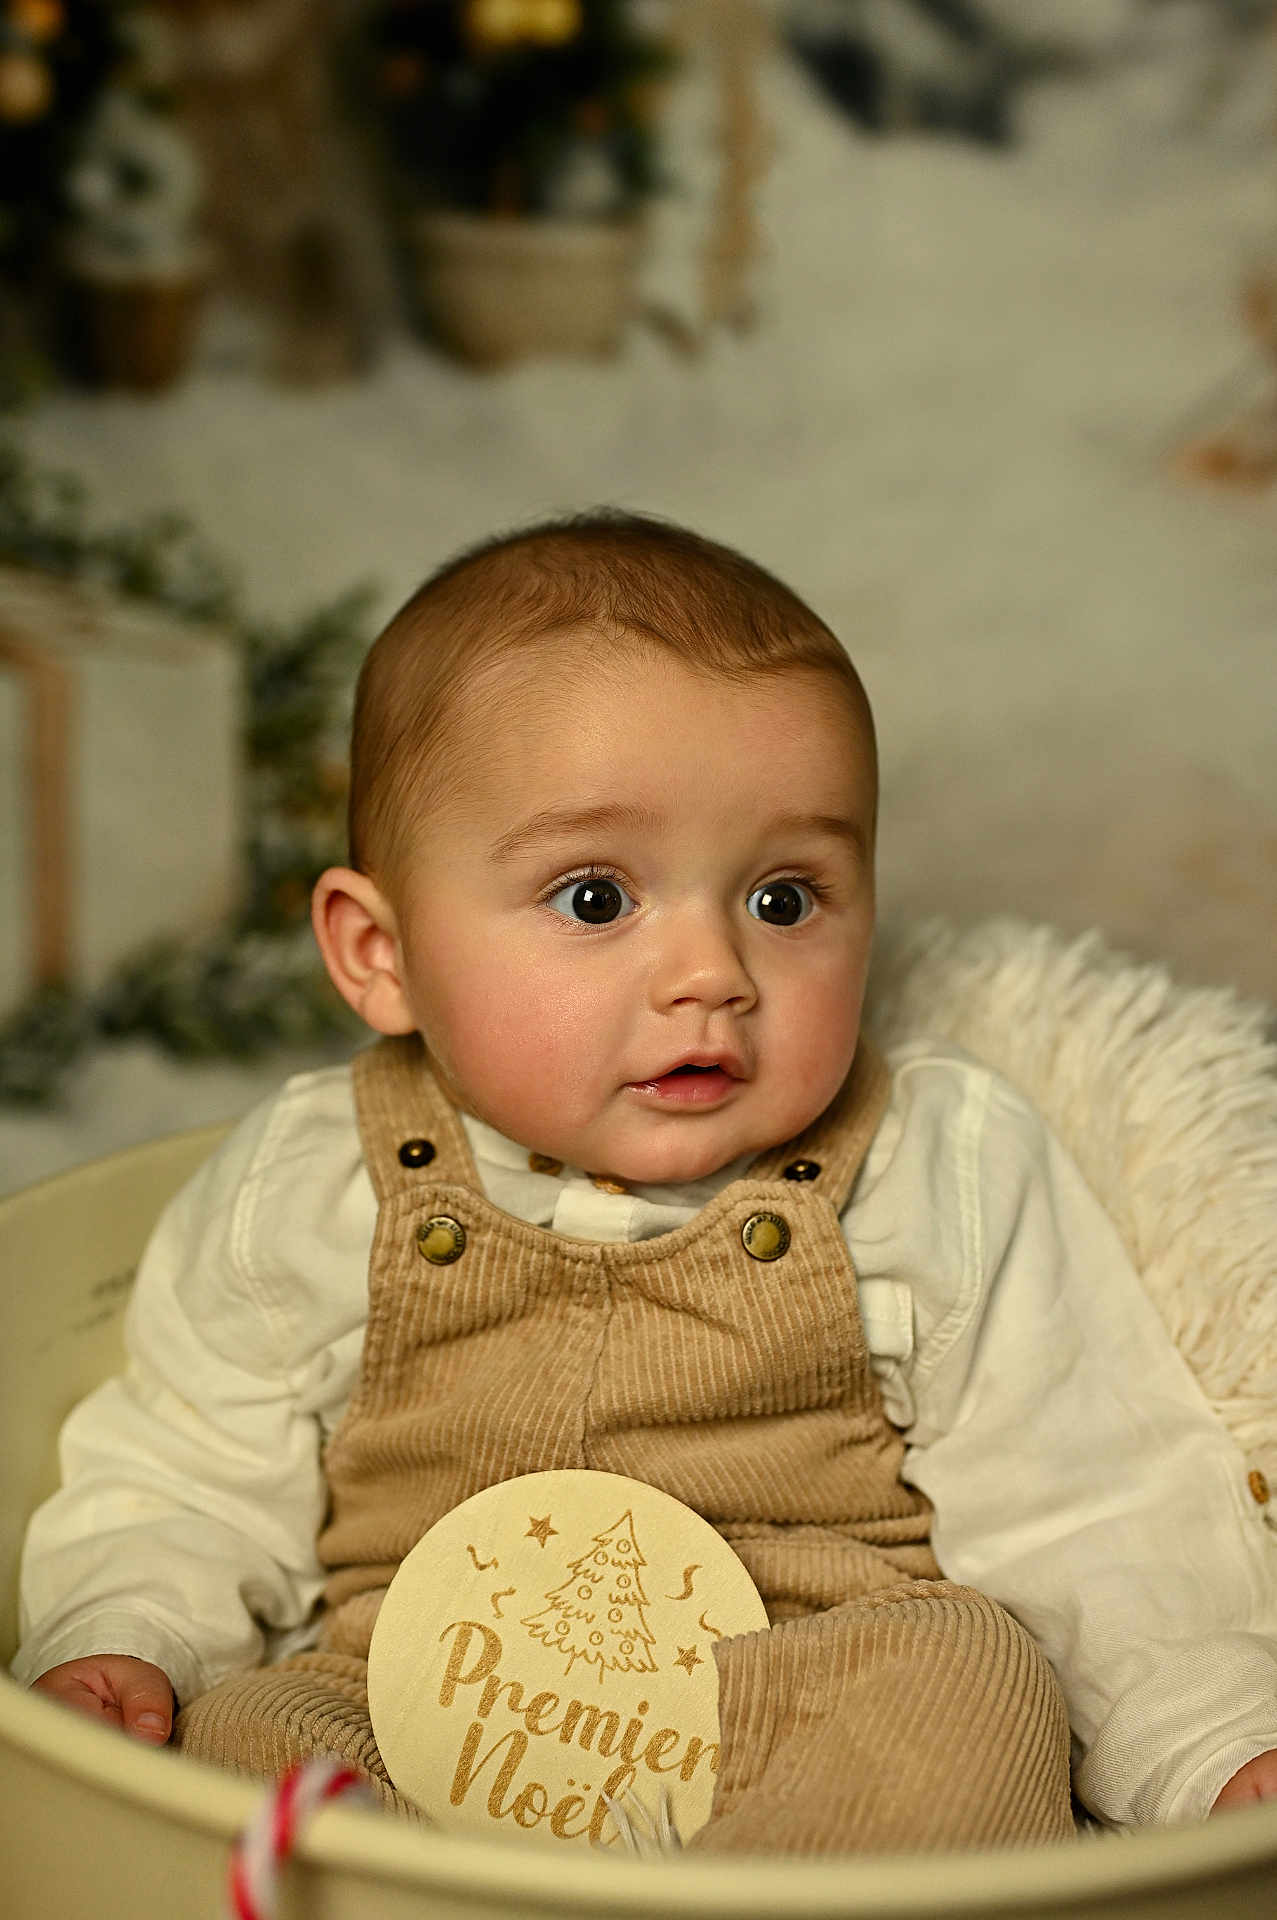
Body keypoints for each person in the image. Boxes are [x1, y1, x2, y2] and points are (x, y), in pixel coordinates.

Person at [13, 513, 1277, 1850]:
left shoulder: (933, 1162)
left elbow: (1088, 1487)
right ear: (379, 953)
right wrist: (127, 1635)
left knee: (967, 1696)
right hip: (417, 1692)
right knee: (246, 1749)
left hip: (814, 1688)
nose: (712, 972)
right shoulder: (312, 1181)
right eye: (596, 899)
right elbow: (193, 1468)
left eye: (783, 899)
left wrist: (1207, 1739)